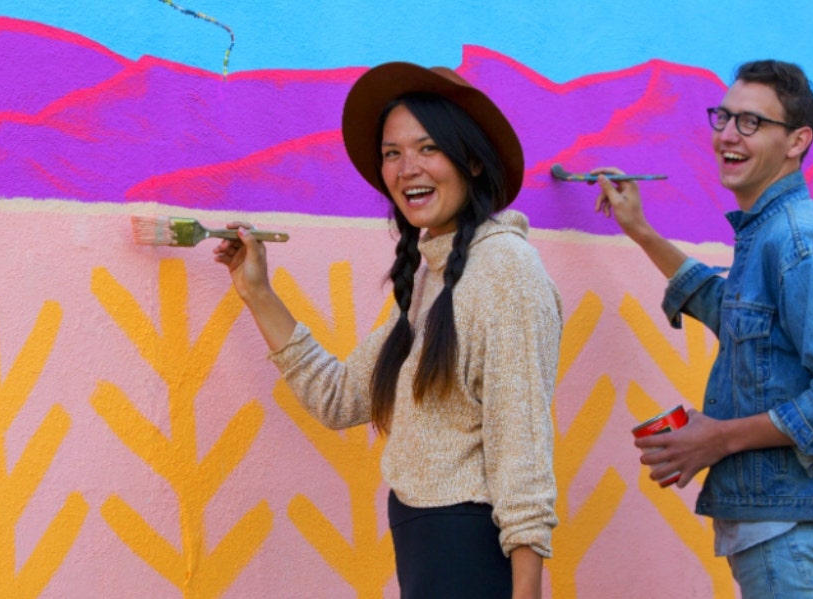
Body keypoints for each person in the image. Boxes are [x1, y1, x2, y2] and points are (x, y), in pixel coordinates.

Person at [214, 62, 561, 598]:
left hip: (469, 557)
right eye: (392, 154)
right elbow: (339, 398)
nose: (407, 169)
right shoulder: (435, 278)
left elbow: (523, 453)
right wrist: (256, 291)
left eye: (427, 149)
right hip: (425, 551)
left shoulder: (506, 271)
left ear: (470, 160)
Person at [592, 59, 813, 598]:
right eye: (723, 117)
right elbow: (732, 312)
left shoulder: (798, 241)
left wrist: (718, 439)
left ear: (797, 141)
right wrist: (639, 230)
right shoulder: (770, 232)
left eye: (750, 122)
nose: (728, 134)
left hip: (790, 530)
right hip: (778, 525)